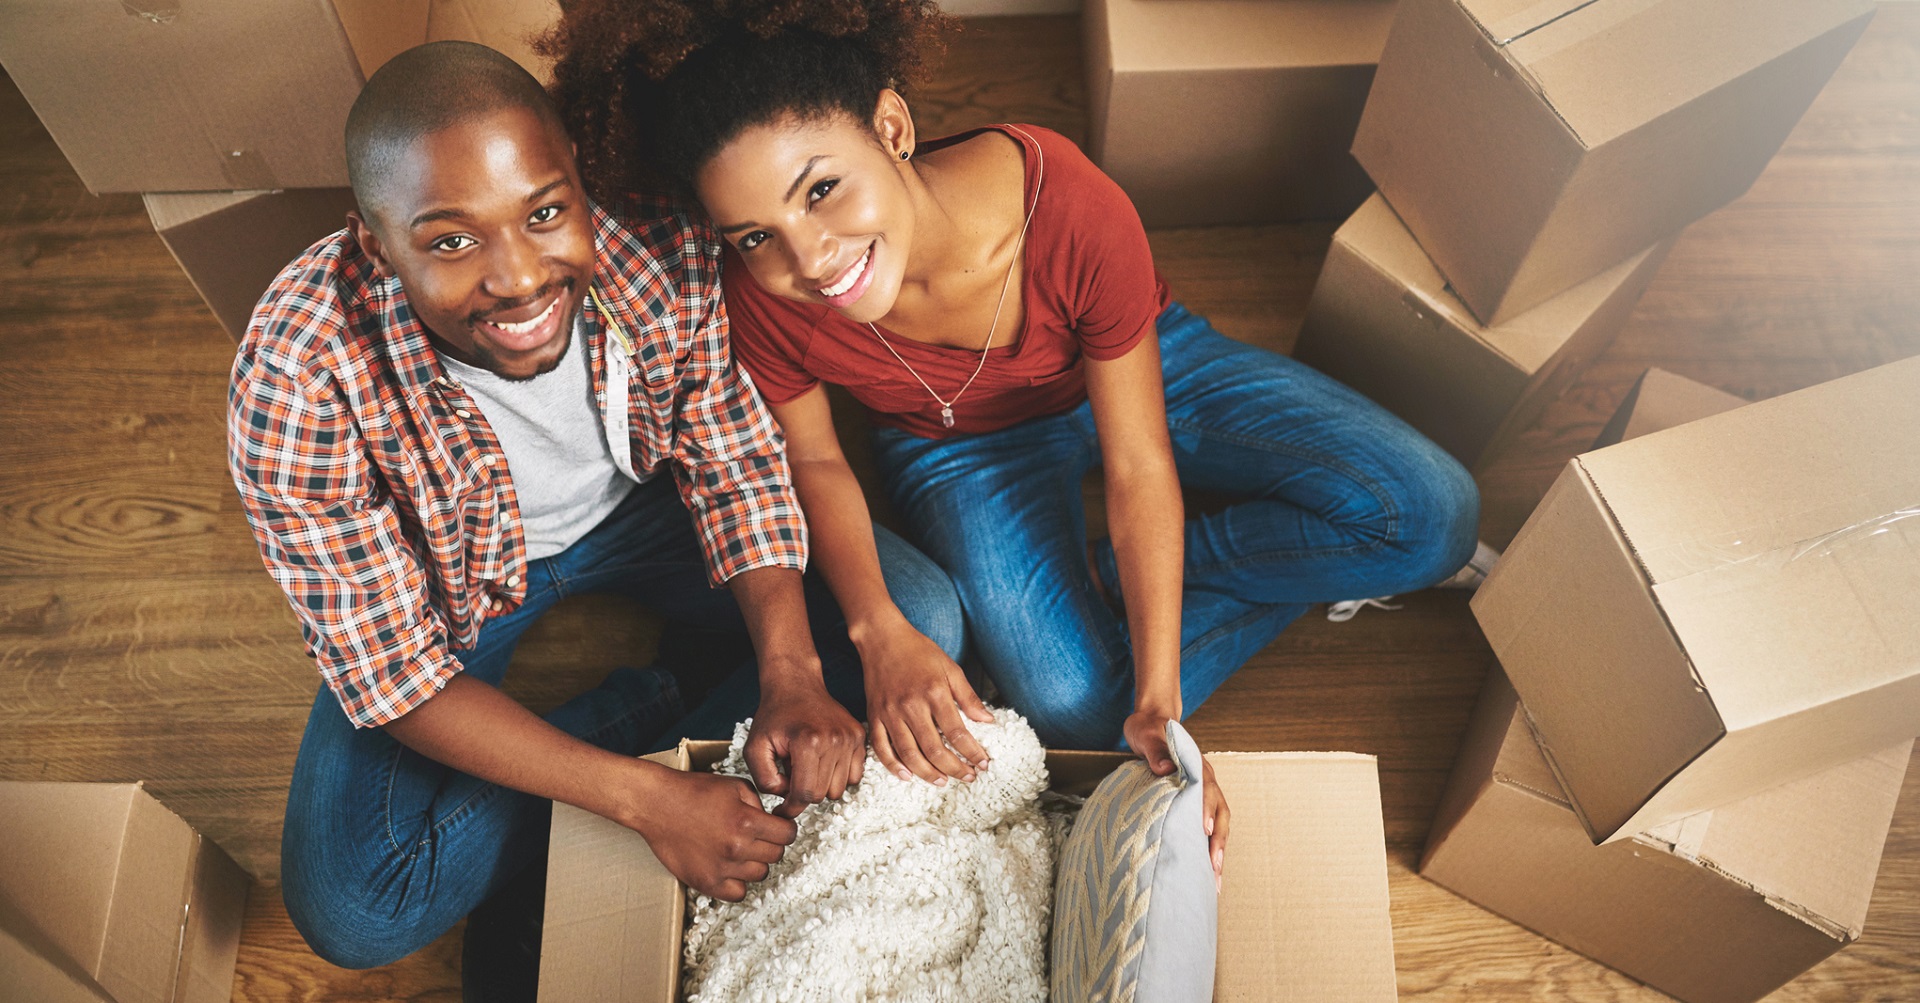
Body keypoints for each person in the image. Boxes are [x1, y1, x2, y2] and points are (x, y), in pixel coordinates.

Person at [546, 1, 1482, 877]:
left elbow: (1138, 461)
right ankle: (1133, 589)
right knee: (1072, 705)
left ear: (894, 128)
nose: (809, 258)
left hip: (1127, 375)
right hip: (952, 445)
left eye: (823, 189)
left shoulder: (1068, 201)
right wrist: (878, 633)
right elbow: (818, 461)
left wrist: (1159, 701)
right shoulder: (763, 297)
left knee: (1429, 516)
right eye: (755, 235)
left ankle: (1111, 581)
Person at [226, 40, 964, 991]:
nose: (520, 277)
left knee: (917, 612)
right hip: (455, 588)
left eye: (544, 213)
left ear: (578, 178)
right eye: (451, 241)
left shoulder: (656, 228)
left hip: (649, 514)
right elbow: (393, 673)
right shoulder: (296, 374)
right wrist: (649, 799)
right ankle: (654, 711)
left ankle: (649, 738)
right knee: (355, 906)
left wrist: (790, 673)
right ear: (376, 245)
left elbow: (733, 459)